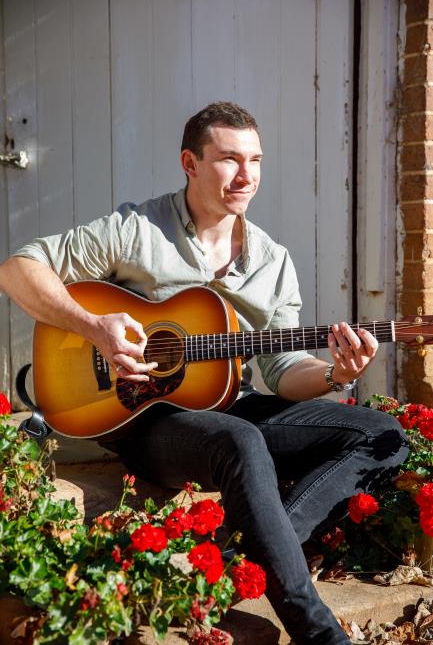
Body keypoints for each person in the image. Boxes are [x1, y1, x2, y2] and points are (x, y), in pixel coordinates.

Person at [0, 101, 408, 644]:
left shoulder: (272, 261)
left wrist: (336, 373)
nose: (247, 175)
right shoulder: (136, 229)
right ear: (190, 163)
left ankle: (237, 563)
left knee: (383, 436)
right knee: (239, 441)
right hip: (144, 417)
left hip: (227, 402)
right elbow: (18, 268)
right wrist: (93, 326)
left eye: (255, 160)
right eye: (229, 159)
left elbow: (283, 369)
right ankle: (319, 632)